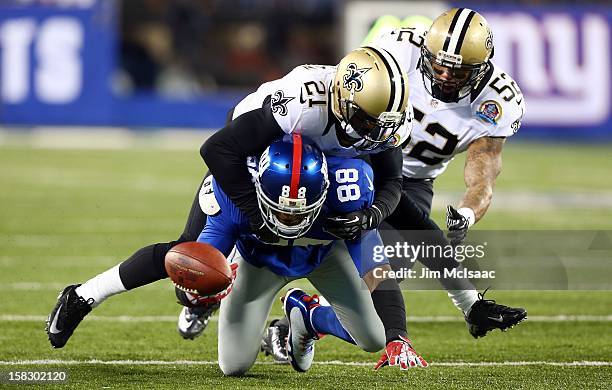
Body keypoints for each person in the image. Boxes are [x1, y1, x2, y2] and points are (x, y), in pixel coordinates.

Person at [45, 46, 413, 349]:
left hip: (322, 170)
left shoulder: (380, 120)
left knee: (370, 219)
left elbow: (393, 179)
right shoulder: (302, 107)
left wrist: (372, 215)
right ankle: (85, 295)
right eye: (368, 121)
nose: (376, 132)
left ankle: (299, 306)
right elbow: (219, 150)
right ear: (342, 101)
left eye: (384, 124)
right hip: (263, 159)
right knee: (191, 255)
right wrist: (255, 213)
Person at [261, 8, 528, 359]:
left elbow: (483, 174)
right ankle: (243, 276)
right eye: (438, 64)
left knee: (389, 273)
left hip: (414, 180)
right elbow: (345, 92)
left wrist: (466, 211)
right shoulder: (400, 49)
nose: (445, 75)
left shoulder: (497, 102)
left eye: (458, 70)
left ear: (480, 70)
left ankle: (304, 318)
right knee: (363, 259)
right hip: (362, 156)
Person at [185, 135, 426, 375]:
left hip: (327, 257)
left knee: (376, 337)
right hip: (257, 263)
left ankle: (310, 317)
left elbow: (378, 272)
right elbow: (198, 264)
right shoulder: (236, 196)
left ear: (324, 190)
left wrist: (398, 335)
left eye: (300, 211)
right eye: (280, 210)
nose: (289, 219)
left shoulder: (347, 191)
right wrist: (197, 292)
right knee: (233, 366)